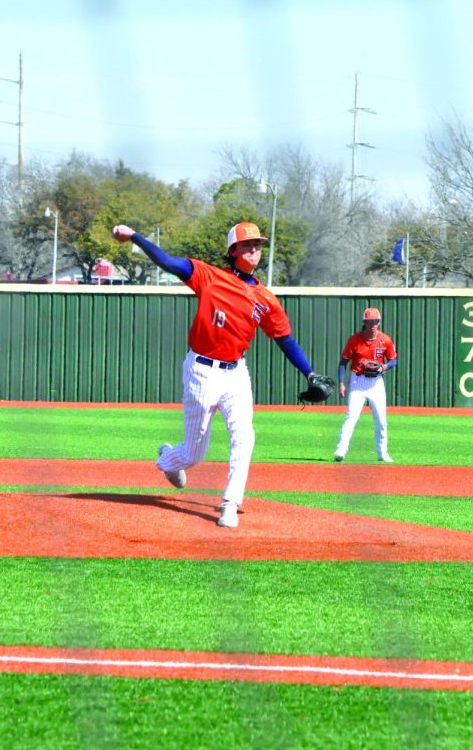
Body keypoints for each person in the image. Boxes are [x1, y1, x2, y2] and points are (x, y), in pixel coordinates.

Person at [111, 221, 321, 529]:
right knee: (194, 453)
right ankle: (168, 459)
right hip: (201, 370)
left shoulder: (266, 299)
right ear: (233, 251)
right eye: (247, 245)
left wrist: (310, 372)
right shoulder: (210, 277)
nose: (253, 250)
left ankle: (230, 503)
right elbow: (168, 262)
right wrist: (135, 237)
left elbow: (285, 340)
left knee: (244, 436)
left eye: (257, 245)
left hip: (236, 372)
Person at [333, 307, 398, 463]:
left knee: (381, 420)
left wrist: (384, 366)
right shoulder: (354, 340)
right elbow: (343, 362)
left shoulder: (385, 340)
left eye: (375, 321)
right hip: (358, 381)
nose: (373, 324)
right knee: (351, 416)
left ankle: (382, 452)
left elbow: (394, 360)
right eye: (370, 321)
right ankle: (341, 449)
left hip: (376, 382)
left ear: (379, 322)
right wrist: (341, 383)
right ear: (364, 322)